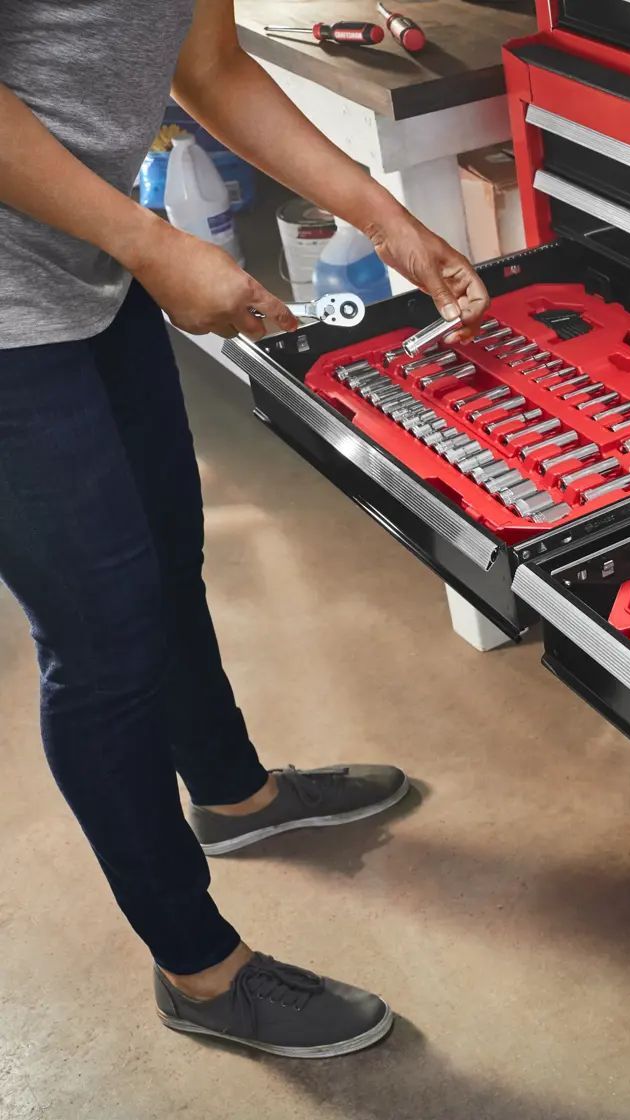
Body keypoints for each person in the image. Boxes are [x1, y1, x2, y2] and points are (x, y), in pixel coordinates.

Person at [0, 0, 488, 1058]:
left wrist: (381, 214)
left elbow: (210, 64)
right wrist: (153, 242)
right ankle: (200, 971)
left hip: (82, 260)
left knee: (170, 557)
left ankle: (234, 793)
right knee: (104, 644)